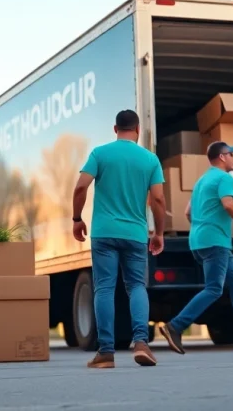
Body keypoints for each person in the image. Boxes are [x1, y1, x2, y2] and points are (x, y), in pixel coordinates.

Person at [159, 141, 233, 354]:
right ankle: (175, 326)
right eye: (232, 155)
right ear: (223, 157)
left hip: (199, 241)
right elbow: (229, 204)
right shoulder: (224, 178)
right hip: (215, 242)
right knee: (214, 288)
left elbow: (188, 212)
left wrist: (204, 225)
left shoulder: (202, 180)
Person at [72, 109, 167, 369]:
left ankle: (106, 352)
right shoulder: (150, 160)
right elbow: (158, 199)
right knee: (136, 286)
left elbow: (81, 186)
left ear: (115, 129)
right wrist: (158, 232)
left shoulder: (100, 153)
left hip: (104, 233)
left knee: (104, 288)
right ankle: (141, 343)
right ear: (137, 130)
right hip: (135, 234)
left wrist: (76, 218)